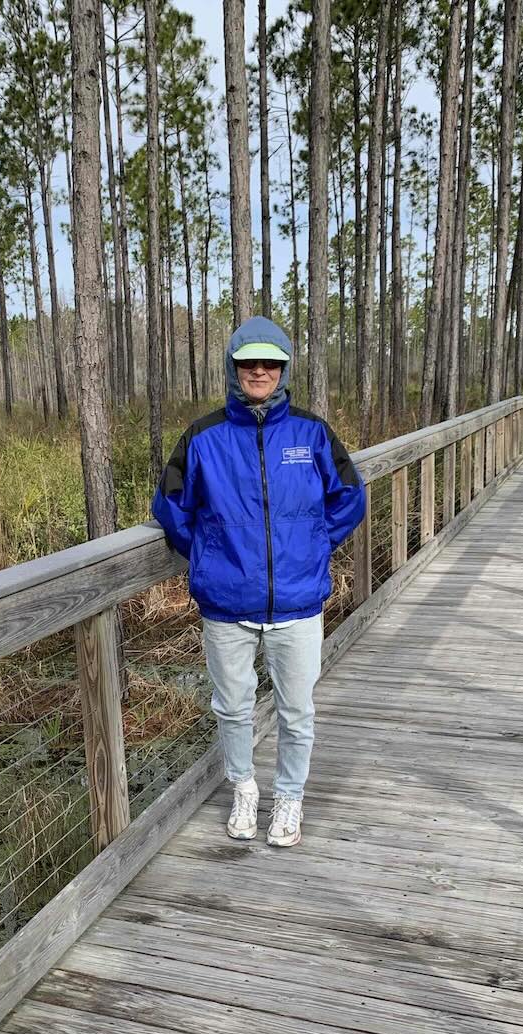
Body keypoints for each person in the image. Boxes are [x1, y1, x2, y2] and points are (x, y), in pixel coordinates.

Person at [152, 316, 366, 847]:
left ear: (285, 368)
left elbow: (350, 497)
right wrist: (207, 553)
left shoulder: (312, 433)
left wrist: (314, 546)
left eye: (270, 362)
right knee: (232, 707)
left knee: (297, 712)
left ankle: (289, 798)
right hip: (227, 603)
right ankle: (244, 789)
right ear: (234, 367)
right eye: (249, 362)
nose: (260, 370)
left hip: (298, 603)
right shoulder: (204, 437)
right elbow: (170, 504)